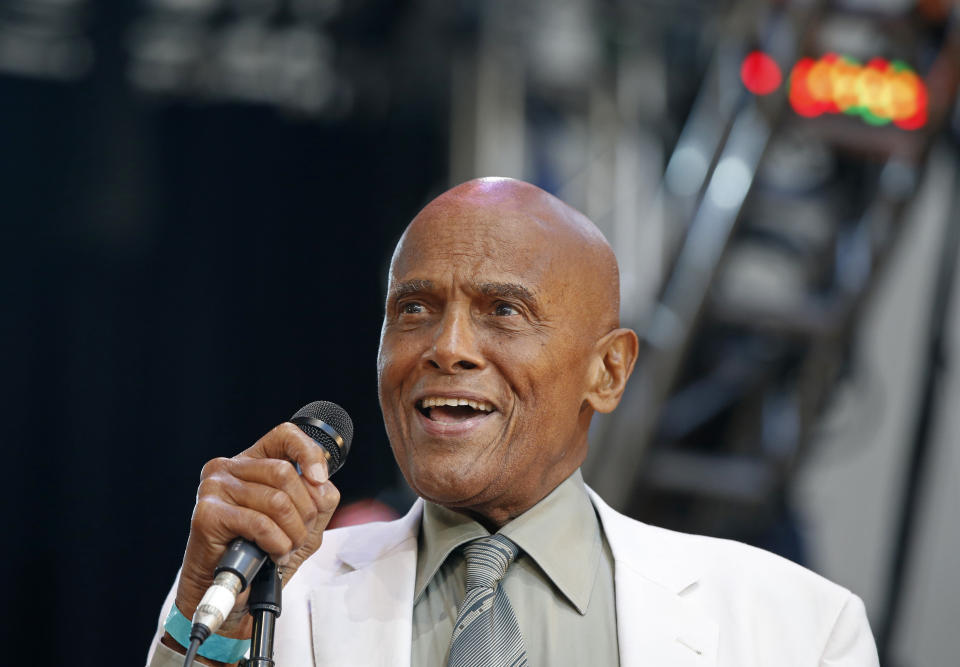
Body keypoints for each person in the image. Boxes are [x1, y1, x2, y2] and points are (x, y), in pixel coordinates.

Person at [146, 177, 879, 666]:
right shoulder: (276, 601)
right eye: (414, 309)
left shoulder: (795, 629)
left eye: (504, 311)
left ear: (609, 370)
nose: (447, 347)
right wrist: (203, 619)